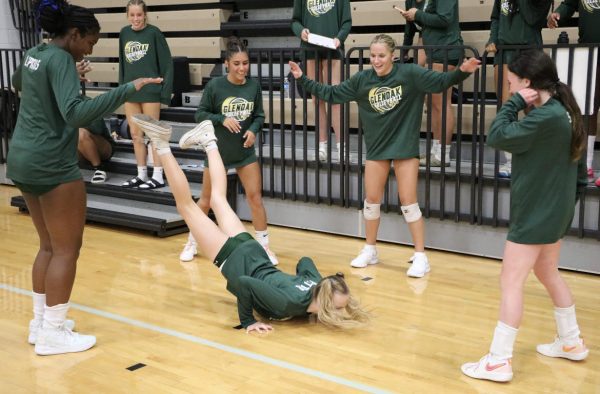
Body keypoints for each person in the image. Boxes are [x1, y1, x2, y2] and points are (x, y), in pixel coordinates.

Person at [7, 0, 161, 355]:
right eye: (89, 41)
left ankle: (40, 324)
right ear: (74, 34)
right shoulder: (62, 59)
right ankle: (54, 333)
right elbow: (75, 115)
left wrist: (64, 80)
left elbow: (19, 83)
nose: (90, 48)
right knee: (66, 249)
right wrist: (126, 89)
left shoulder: (38, 51)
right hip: (51, 163)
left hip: (22, 157)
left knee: (47, 246)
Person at [132, 114, 369, 332]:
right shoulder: (287, 304)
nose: (339, 313)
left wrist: (319, 281)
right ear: (325, 302)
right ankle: (162, 144)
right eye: (337, 308)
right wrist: (248, 321)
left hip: (254, 252)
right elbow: (245, 283)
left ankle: (210, 141)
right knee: (187, 207)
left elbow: (304, 262)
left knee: (217, 199)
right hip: (235, 257)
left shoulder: (316, 285)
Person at [288, 34, 481, 277]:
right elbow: (332, 93)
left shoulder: (410, 74)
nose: (376, 61)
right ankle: (371, 250)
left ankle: (421, 256)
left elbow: (443, 81)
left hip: (404, 148)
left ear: (392, 56)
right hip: (377, 149)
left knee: (409, 204)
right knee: (371, 202)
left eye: (381, 56)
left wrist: (462, 71)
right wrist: (302, 78)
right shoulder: (362, 80)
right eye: (373, 56)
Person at [461, 50, 589, 383]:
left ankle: (498, 361)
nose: (509, 88)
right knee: (548, 272)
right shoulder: (566, 114)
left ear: (527, 83)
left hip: (535, 214)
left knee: (511, 281)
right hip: (555, 212)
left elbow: (497, 136)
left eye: (511, 83)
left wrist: (513, 103)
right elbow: (579, 177)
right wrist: (561, 210)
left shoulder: (543, 117)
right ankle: (571, 341)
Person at [179, 37, 279, 265]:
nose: (242, 68)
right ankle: (191, 243)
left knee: (255, 198)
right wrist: (222, 118)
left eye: (245, 63)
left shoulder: (253, 86)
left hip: (244, 152)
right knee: (205, 200)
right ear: (227, 64)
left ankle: (264, 248)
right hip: (218, 153)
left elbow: (259, 116)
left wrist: (253, 130)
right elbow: (200, 114)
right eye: (237, 64)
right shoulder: (215, 86)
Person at [486, 0, 553, 178]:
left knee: (532, 105)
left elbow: (534, 19)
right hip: (504, 52)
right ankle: (510, 160)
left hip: (528, 51)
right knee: (506, 106)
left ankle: (537, 156)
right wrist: (492, 38)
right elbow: (495, 17)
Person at [399, 0, 464, 168]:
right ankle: (436, 150)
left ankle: (444, 154)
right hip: (431, 50)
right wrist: (404, 51)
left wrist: (417, 14)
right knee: (432, 102)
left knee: (441, 102)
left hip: (446, 49)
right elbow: (411, 26)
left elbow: (445, 19)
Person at [119, 0, 173, 189]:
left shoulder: (154, 33)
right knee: (135, 135)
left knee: (153, 135)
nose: (136, 19)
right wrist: (122, 90)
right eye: (132, 15)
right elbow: (123, 66)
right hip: (131, 91)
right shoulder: (124, 33)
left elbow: (167, 64)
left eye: (139, 15)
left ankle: (157, 175)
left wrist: (165, 93)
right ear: (127, 16)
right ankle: (141, 174)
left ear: (145, 15)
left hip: (150, 91)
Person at [291, 0, 352, 162]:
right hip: (310, 49)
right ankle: (322, 146)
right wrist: (301, 31)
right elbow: (295, 21)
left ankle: (341, 147)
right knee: (317, 99)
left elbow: (346, 22)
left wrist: (340, 38)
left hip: (333, 49)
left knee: (335, 98)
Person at [548, 0, 600, 185]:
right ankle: (586, 164)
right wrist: (558, 14)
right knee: (588, 109)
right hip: (588, 50)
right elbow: (569, 3)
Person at [77, 98, 114, 184]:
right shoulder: (55, 106)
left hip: (101, 146)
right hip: (76, 150)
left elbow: (98, 129)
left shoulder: (87, 102)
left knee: (79, 133)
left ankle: (99, 168)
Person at [399, 0, 427, 67]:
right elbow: (410, 28)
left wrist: (417, 14)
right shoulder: (409, 1)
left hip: (438, 34)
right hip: (423, 35)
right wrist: (405, 51)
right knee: (419, 67)